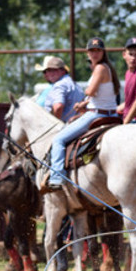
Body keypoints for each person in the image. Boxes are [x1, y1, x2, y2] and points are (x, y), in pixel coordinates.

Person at [45, 37, 119, 190]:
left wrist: (86, 94)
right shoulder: (108, 68)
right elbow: (100, 95)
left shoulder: (100, 68)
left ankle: (57, 176)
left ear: (103, 52)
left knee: (58, 140)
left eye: (98, 50)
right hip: (110, 114)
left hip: (98, 115)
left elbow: (91, 91)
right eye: (92, 50)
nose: (95, 53)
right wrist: (84, 103)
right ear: (88, 52)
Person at [35, 55, 84, 122]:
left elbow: (58, 107)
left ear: (63, 71)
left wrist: (56, 124)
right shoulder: (74, 84)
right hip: (76, 122)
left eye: (55, 70)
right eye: (48, 70)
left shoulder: (59, 85)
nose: (50, 73)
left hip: (65, 125)